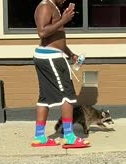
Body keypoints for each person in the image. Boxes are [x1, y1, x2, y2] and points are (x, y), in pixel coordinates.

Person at [31, 0, 90, 149]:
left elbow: (56, 38)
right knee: (68, 96)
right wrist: (64, 20)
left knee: (44, 98)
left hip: (51, 55)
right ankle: (69, 136)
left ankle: (39, 137)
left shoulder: (53, 7)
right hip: (51, 58)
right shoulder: (45, 6)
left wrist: (71, 54)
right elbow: (42, 32)